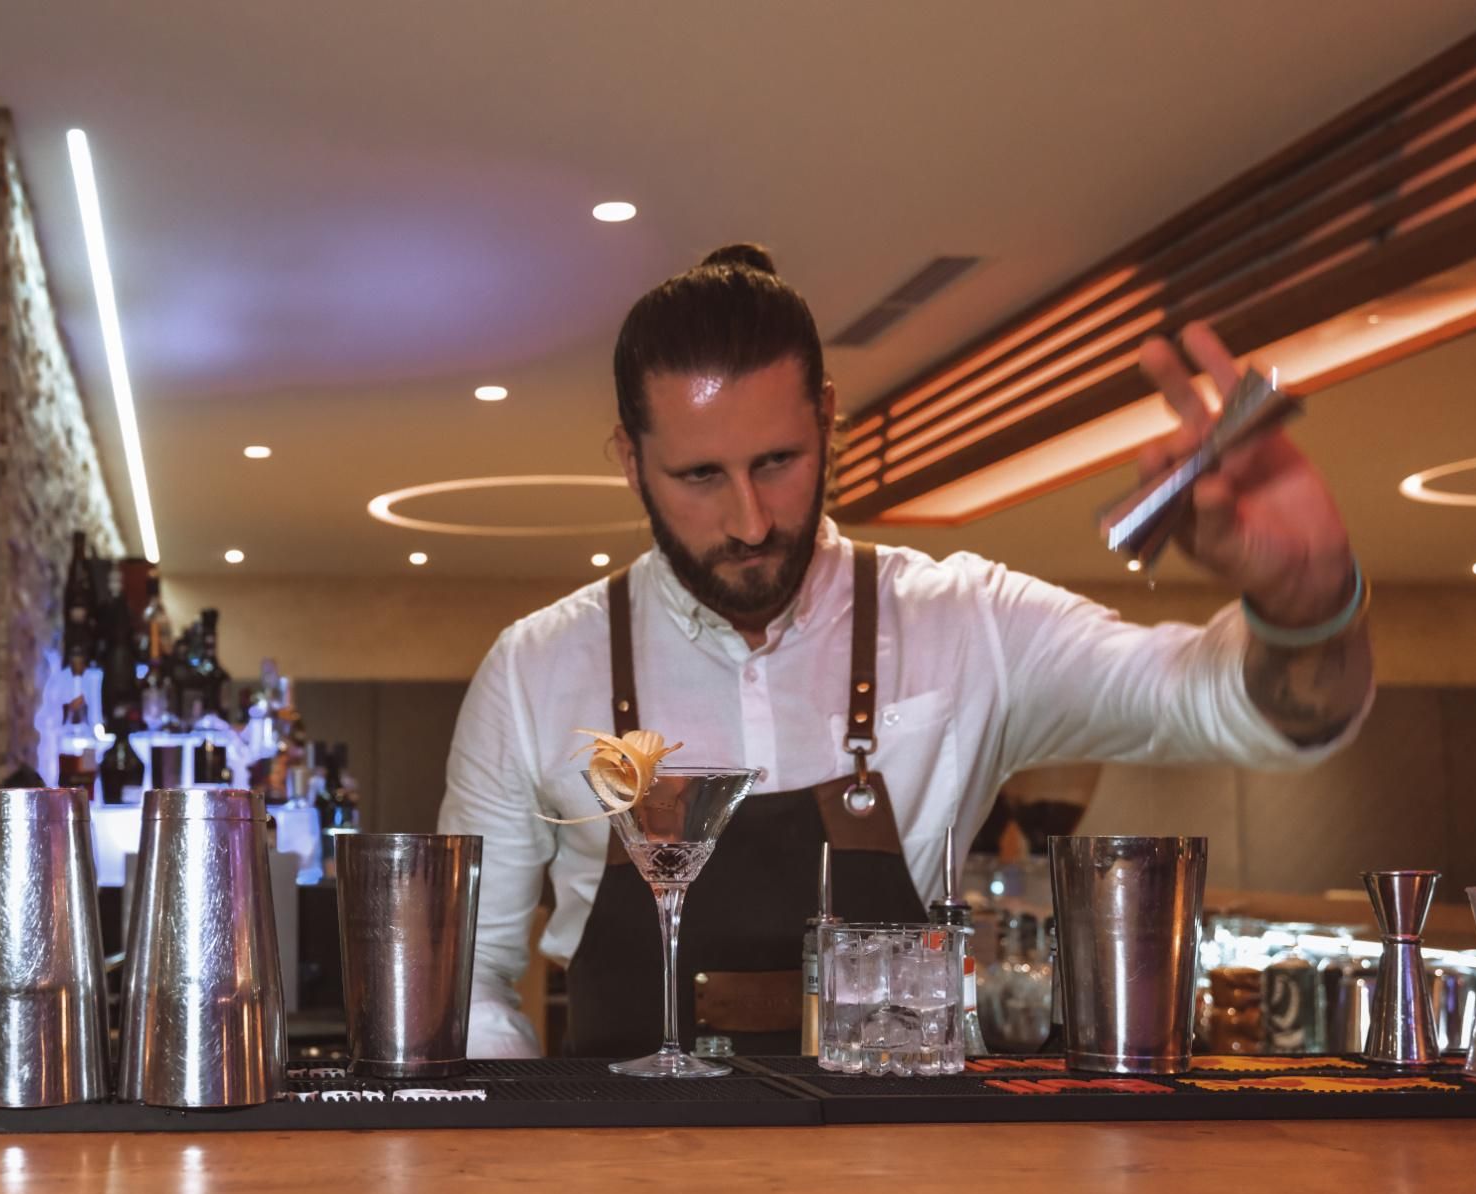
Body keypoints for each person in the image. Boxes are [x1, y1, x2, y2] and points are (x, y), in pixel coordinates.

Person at [438, 244, 1373, 1059]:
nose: (750, 521)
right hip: (625, 1182)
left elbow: (1220, 705)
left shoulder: (965, 622)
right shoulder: (533, 672)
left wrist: (1308, 601)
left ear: (828, 418)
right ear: (628, 458)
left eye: (777, 462)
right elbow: (469, 981)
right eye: (700, 476)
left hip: (906, 1172)